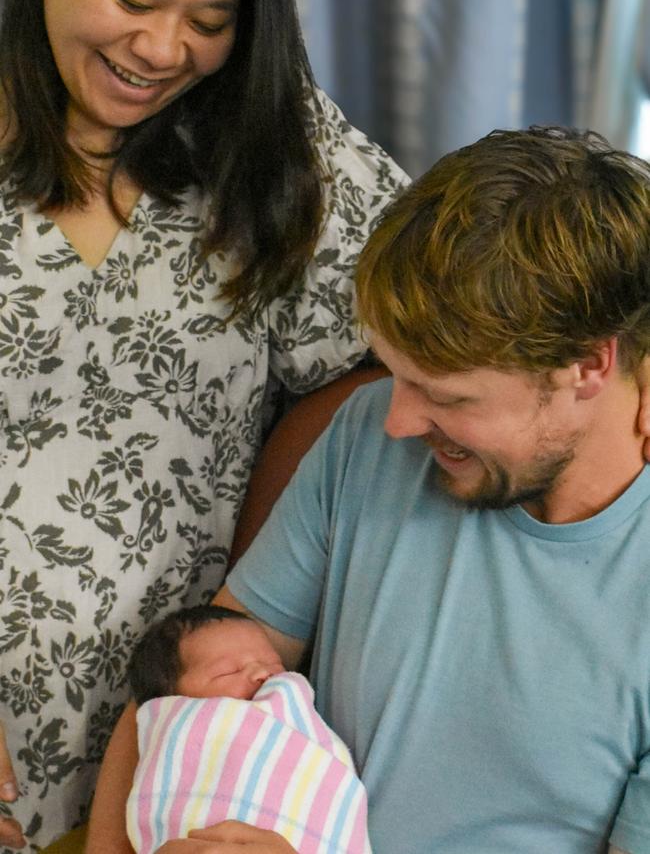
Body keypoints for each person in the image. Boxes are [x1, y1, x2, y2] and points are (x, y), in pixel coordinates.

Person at [90, 125, 650, 852]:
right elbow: (180, 689)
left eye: (446, 396)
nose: (396, 422)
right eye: (395, 374)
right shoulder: (364, 439)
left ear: (588, 368)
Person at [0, 0, 408, 847]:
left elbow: (433, 333)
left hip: (178, 772)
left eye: (211, 21)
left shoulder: (279, 154)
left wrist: (263, 562)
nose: (161, 47)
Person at [125, 605, 371, 854]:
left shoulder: (300, 732)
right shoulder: (184, 735)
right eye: (229, 671)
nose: (264, 673)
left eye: (275, 665)